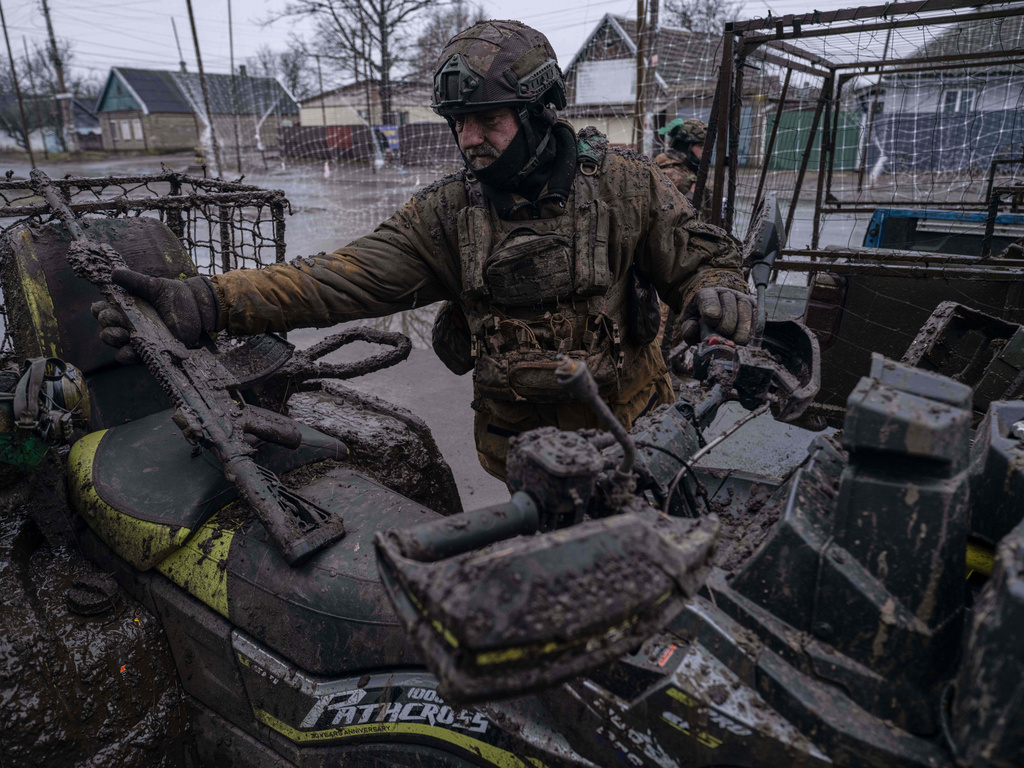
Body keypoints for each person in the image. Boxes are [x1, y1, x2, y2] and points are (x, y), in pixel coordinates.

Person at [95, 20, 754, 481]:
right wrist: (209, 301)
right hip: (526, 460)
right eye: (458, 123)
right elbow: (330, 280)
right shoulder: (444, 217)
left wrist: (720, 297)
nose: (469, 139)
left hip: (637, 436)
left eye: (488, 120)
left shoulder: (626, 185)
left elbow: (705, 259)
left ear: (539, 111)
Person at [654, 117, 712, 220]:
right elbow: (668, 217)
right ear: (685, 145)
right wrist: (693, 193)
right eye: (700, 145)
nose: (705, 151)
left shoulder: (688, 168)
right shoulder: (671, 174)